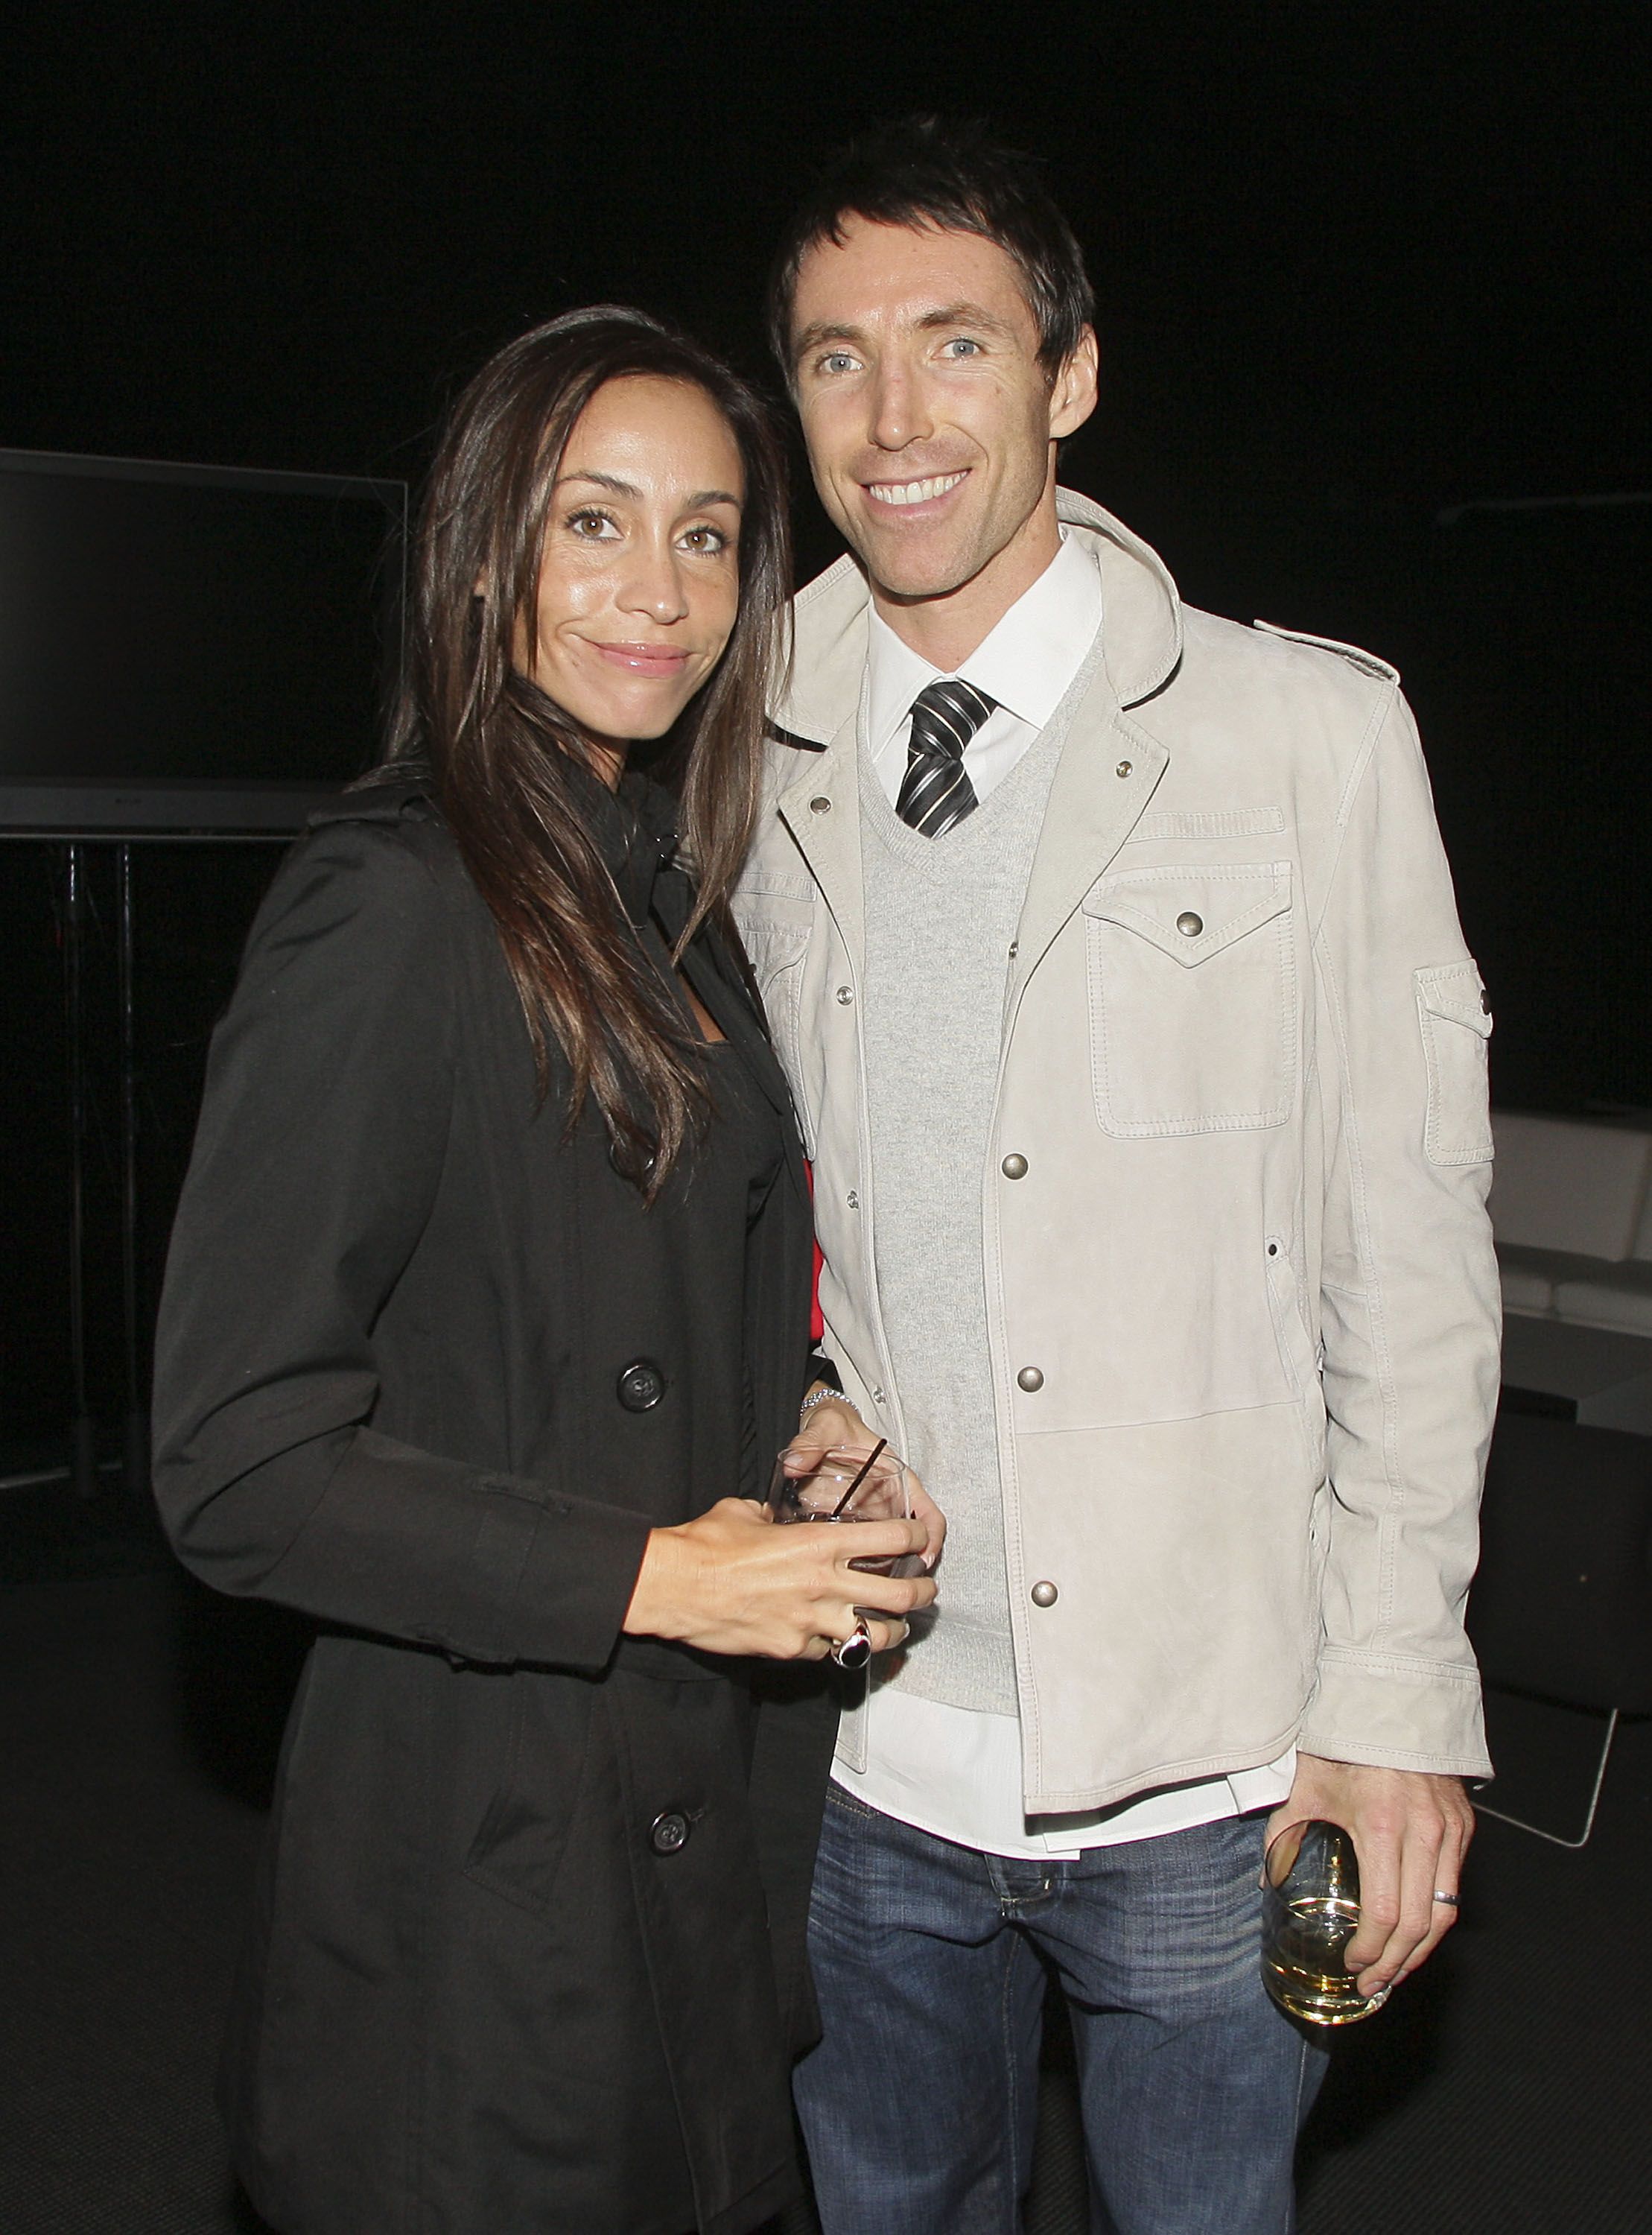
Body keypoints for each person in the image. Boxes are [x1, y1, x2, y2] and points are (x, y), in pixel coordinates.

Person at [741, 119, 1499, 2234]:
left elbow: (1408, 1267)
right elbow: (697, 1212)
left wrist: (1393, 1704)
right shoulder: (729, 743)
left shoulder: (1304, 742)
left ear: (1066, 375)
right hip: (849, 1757)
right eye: (832, 360)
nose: (894, 421)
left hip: (1215, 1764)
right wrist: (775, 1412)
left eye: (955, 344)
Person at [149, 305, 935, 2235]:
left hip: (679, 1830)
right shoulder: (396, 897)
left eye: (702, 534)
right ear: (486, 549)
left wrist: (804, 1429)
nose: (652, 592)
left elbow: (622, 1305)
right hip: (485, 1866)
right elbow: (234, 1463)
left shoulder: (668, 887)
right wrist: (666, 1576)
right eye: (594, 523)